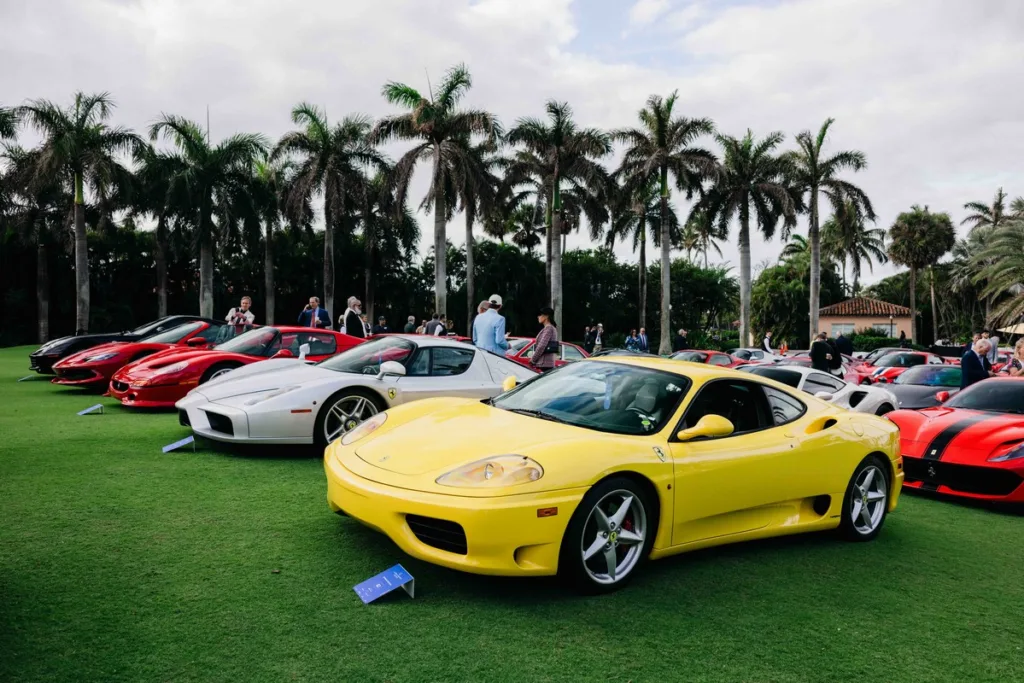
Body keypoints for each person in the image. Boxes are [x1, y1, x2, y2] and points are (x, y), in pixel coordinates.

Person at [530, 307, 559, 372]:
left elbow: (541, 346)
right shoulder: (549, 328)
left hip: (545, 363)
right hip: (545, 363)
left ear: (546, 316)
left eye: (540, 315)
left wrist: (533, 360)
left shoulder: (548, 328)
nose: (538, 317)